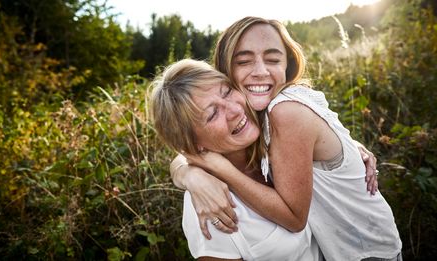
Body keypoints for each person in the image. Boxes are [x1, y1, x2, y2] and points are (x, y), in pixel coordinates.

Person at [171, 17, 402, 260]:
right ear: (226, 70)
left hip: (365, 252)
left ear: (287, 66)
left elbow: (294, 218)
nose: (261, 71)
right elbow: (190, 146)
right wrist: (189, 174)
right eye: (244, 61)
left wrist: (222, 169)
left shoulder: (285, 110)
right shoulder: (256, 110)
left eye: (273, 59)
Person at [150, 59, 321, 260]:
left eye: (227, 92)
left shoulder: (273, 128)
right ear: (194, 143)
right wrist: (191, 173)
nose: (235, 110)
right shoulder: (210, 204)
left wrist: (352, 149)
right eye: (213, 114)